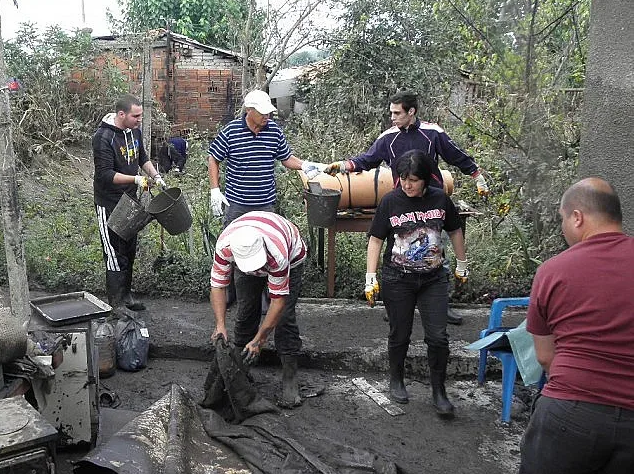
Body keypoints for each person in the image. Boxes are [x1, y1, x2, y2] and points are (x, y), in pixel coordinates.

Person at [507, 178, 634, 474]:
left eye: (563, 220)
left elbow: (546, 357)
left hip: (568, 414)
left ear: (577, 217)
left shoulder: (554, 271)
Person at [329, 90, 487, 325]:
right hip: (401, 203)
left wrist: (477, 175)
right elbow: (367, 159)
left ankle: (440, 306)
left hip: (432, 203)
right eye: (391, 113)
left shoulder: (433, 133)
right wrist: (344, 165)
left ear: (411, 112)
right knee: (397, 252)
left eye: (397, 113)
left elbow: (455, 155)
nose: (392, 117)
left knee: (435, 253)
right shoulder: (388, 138)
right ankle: (397, 305)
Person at [364, 150, 468, 418]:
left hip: (433, 278)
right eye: (403, 179)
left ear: (425, 179)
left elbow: (455, 230)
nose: (407, 185)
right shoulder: (390, 202)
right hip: (398, 278)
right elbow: (376, 240)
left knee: (438, 336)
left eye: (413, 180)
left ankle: (438, 391)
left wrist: (461, 263)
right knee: (400, 333)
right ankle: (396, 379)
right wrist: (370, 276)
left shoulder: (440, 199)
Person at [210, 211, 308, 408]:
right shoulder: (225, 247)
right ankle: (240, 375)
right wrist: (220, 324)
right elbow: (218, 286)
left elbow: (278, 302)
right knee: (246, 311)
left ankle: (290, 379)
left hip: (292, 255)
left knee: (285, 319)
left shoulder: (277, 252)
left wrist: (260, 339)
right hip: (247, 252)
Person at [208, 89, 328, 226]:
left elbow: (286, 158)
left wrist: (304, 165)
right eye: (262, 112)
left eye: (268, 112)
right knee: (233, 243)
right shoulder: (231, 131)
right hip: (237, 204)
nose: (266, 115)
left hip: (265, 204)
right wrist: (215, 190)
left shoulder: (274, 131)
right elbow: (213, 158)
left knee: (266, 242)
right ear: (248, 110)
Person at [93, 93, 165, 312]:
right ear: (121, 114)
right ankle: (116, 304)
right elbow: (105, 175)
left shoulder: (134, 131)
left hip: (130, 200)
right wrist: (136, 179)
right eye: (136, 116)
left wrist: (156, 176)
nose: (139, 119)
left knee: (128, 250)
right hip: (109, 203)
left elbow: (142, 158)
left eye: (140, 115)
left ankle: (126, 296)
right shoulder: (103, 138)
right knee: (114, 254)